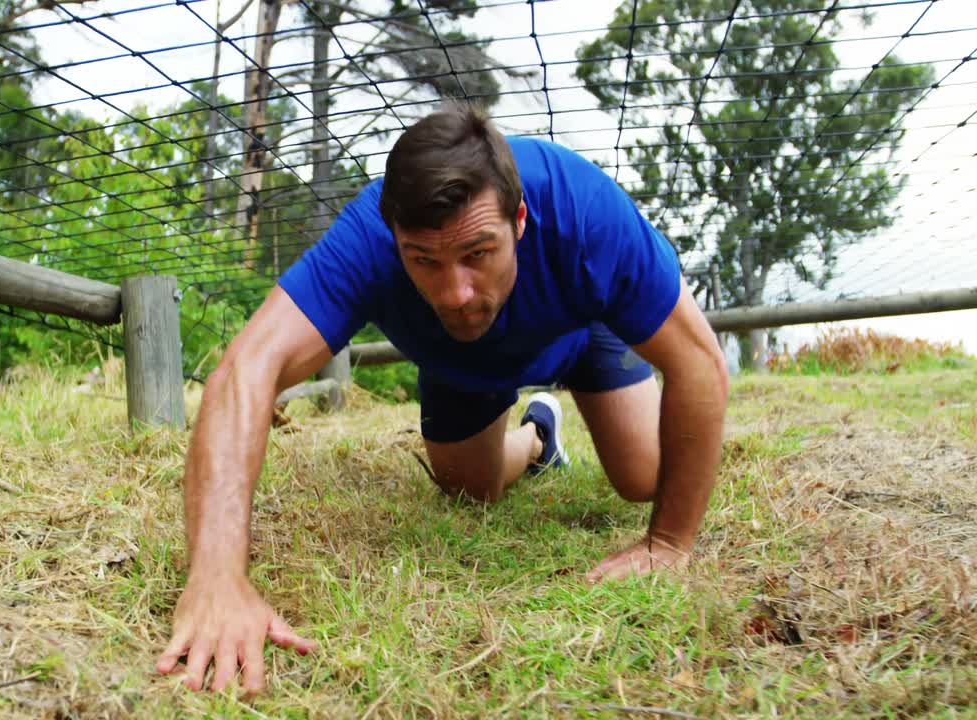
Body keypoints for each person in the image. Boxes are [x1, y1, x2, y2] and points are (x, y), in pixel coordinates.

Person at [156, 104, 729, 695]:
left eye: (478, 253)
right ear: (396, 239)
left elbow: (699, 363)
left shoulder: (586, 212)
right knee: (468, 490)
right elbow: (246, 368)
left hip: (584, 334)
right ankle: (538, 438)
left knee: (643, 477)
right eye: (424, 261)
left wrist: (669, 543)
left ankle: (582, 415)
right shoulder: (368, 241)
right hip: (460, 358)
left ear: (520, 220)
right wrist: (217, 576)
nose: (456, 292)